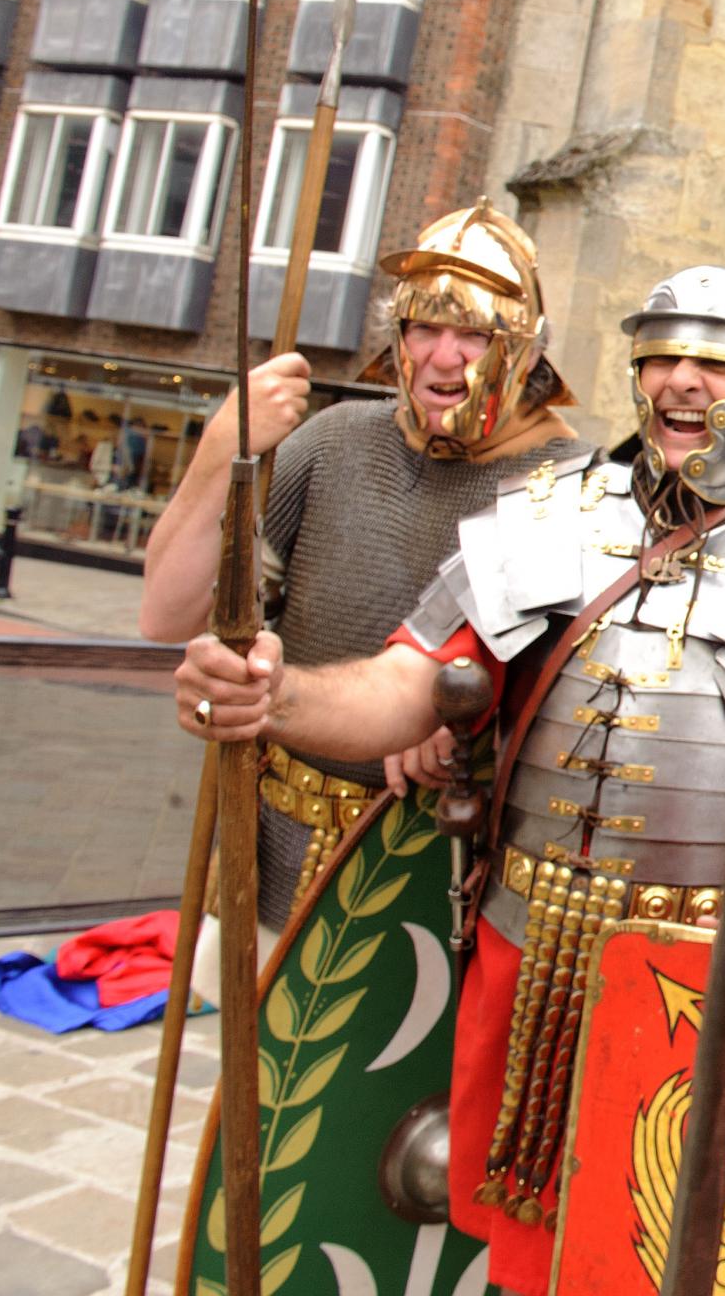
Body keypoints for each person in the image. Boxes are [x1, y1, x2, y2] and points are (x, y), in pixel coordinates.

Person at [179, 264, 725, 1294]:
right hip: (523, 934)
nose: (682, 382)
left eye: (717, 363)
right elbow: (405, 686)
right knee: (507, 1209)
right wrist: (273, 696)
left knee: (652, 1227)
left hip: (697, 968)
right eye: (662, 357)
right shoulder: (542, 516)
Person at [149, 200, 583, 937]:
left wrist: (456, 712)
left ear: (529, 349)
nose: (444, 357)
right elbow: (168, 615)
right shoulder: (333, 441)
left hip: (429, 860)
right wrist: (225, 445)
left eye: (474, 334)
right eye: (425, 327)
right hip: (274, 823)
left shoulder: (565, 487)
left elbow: (565, 707)